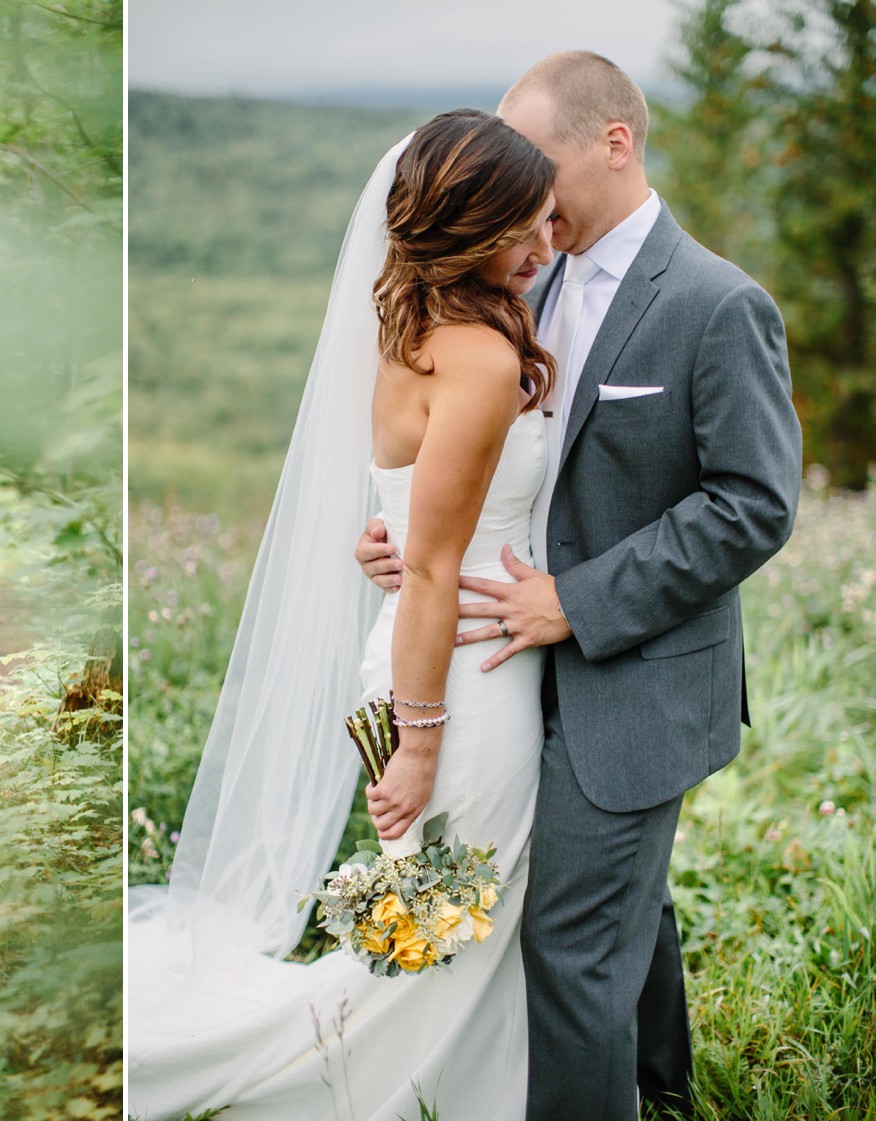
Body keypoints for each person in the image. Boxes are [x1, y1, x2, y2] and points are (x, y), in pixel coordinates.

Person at [357, 53, 801, 1120]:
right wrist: (411, 535)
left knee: (571, 939)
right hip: (503, 673)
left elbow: (755, 502)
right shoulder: (520, 275)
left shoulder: (717, 303)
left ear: (615, 143)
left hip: (635, 675)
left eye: (541, 160)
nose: (530, 194)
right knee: (620, 914)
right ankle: (659, 1090)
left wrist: (579, 599)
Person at [129, 110, 558, 1120]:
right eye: (527, 227)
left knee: (459, 908)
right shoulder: (482, 357)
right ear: (473, 227)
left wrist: (397, 554)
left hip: (432, 646)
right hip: (459, 676)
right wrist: (416, 740)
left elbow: (409, 527)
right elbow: (437, 562)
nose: (547, 246)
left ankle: (455, 1083)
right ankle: (399, 1088)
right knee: (463, 910)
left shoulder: (416, 333)